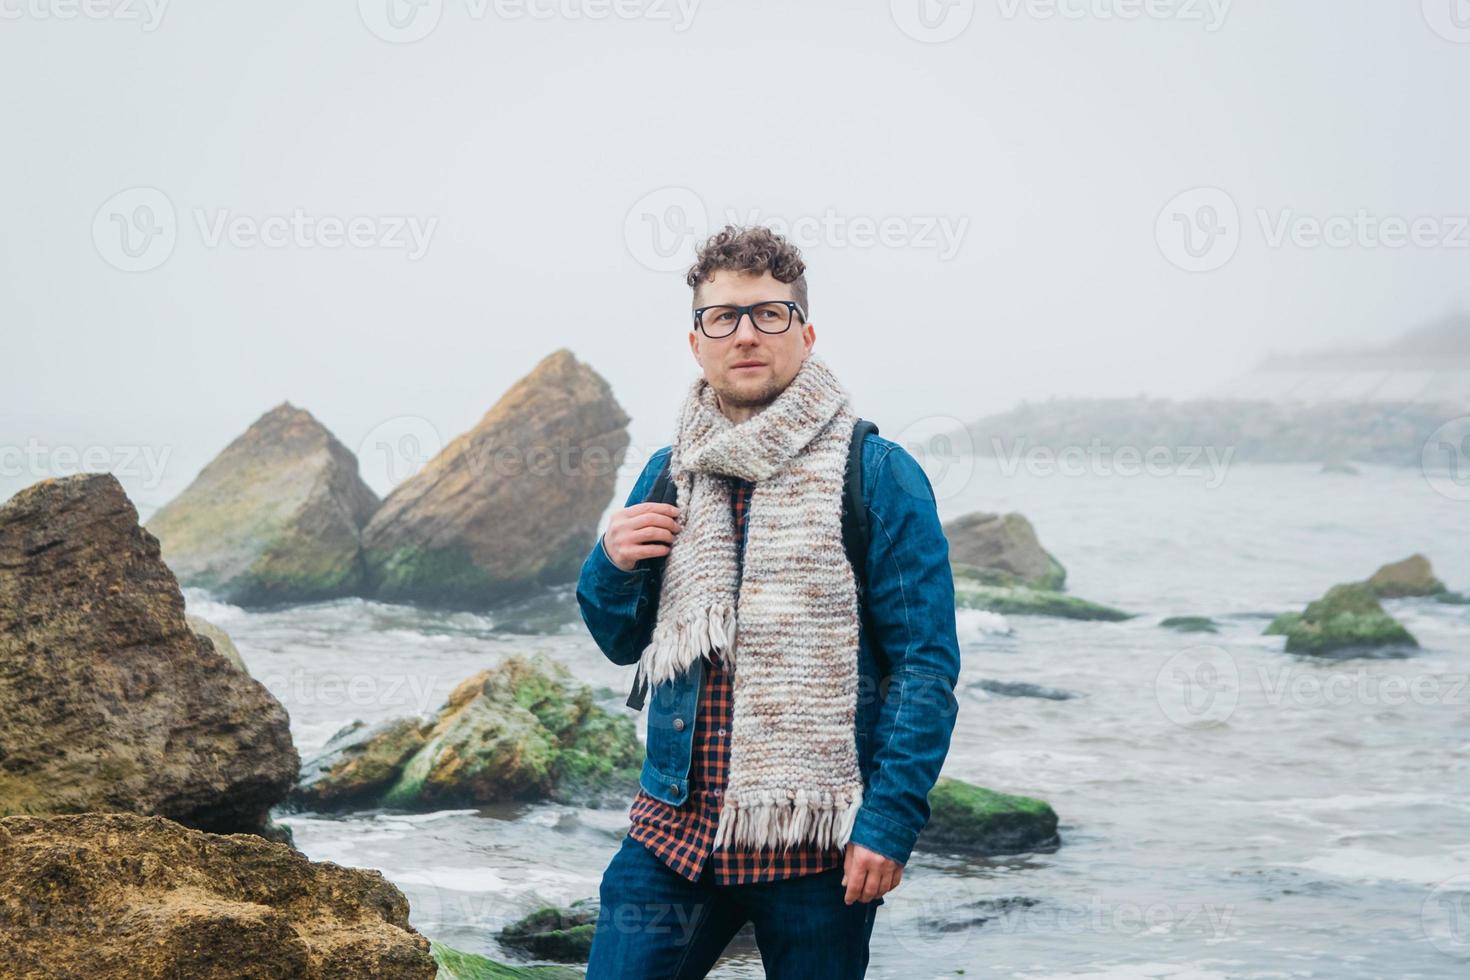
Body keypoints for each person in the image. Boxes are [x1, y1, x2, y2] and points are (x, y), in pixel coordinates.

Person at [576, 223, 961, 978]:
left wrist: (887, 825)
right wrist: (610, 563)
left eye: (768, 313)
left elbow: (924, 667)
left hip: (815, 852)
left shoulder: (876, 474)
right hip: (670, 840)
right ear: (697, 342)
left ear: (805, 332)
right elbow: (624, 641)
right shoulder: (670, 470)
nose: (745, 334)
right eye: (723, 316)